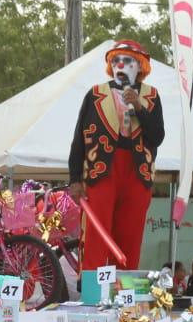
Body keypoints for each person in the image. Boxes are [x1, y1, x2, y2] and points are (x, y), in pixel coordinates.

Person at [67, 40, 164, 271]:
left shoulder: (151, 96)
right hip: (102, 168)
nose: (121, 65)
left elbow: (157, 136)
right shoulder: (95, 94)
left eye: (128, 60)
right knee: (97, 234)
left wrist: (138, 106)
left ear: (140, 66)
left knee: (130, 234)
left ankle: (125, 292)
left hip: (137, 170)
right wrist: (74, 178)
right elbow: (79, 138)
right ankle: (93, 291)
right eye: (116, 60)